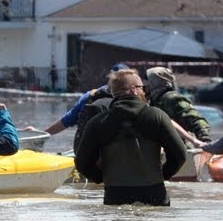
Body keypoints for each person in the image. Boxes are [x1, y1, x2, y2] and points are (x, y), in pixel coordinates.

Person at [74, 68, 188, 206]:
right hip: (154, 193)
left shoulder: (98, 122)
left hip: (115, 194)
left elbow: (81, 162)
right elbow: (180, 154)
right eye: (143, 88)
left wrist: (100, 177)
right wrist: (164, 175)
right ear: (134, 89)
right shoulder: (157, 116)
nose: (145, 91)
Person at [43, 62, 131, 136]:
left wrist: (44, 134)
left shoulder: (91, 95)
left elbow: (66, 121)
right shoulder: (91, 96)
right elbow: (66, 120)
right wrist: (43, 134)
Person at [144, 66, 212, 146]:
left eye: (147, 81)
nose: (144, 85)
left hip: (181, 149)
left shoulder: (172, 98)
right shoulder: (153, 101)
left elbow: (196, 119)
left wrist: (205, 141)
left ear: (155, 82)